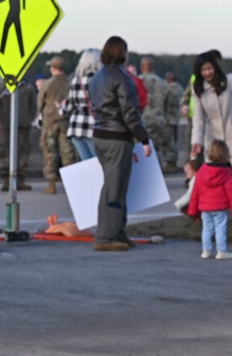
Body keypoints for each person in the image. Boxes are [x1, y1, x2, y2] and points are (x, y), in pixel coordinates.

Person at [88, 36, 152, 251]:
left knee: (113, 185)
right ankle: (106, 237)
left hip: (100, 135)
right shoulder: (123, 79)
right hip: (117, 137)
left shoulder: (96, 78)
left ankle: (118, 231)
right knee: (115, 188)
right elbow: (130, 113)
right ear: (122, 53)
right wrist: (143, 138)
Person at [190, 52, 232, 208]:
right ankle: (222, 208)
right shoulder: (198, 89)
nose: (207, 73)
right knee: (218, 175)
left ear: (215, 67)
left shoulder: (230, 81)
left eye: (210, 68)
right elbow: (199, 118)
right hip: (214, 137)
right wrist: (196, 142)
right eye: (203, 70)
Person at [188, 139, 232, 260]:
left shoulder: (202, 170)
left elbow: (196, 191)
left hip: (205, 207)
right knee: (220, 228)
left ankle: (206, 250)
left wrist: (192, 210)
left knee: (206, 228)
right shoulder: (227, 172)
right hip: (220, 207)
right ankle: (221, 250)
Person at [37, 55, 76, 194]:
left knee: (50, 151)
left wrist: (41, 113)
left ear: (53, 68)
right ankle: (71, 184)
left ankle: (51, 184)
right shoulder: (70, 82)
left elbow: (40, 103)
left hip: (50, 121)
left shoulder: (47, 83)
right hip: (66, 120)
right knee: (67, 152)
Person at [139, 56, 175, 173]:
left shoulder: (137, 81)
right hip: (159, 120)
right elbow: (169, 104)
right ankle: (157, 173)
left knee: (142, 150)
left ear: (142, 67)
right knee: (157, 150)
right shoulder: (163, 83)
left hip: (142, 120)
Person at [0, 79, 36, 191]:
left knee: (23, 152)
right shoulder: (2, 88)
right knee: (5, 152)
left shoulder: (28, 88)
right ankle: (6, 179)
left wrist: (29, 120)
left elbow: (33, 106)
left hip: (23, 125)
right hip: (5, 126)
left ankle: (20, 179)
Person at [64, 48, 101, 160]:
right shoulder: (99, 79)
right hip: (93, 126)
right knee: (100, 163)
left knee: (87, 163)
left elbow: (69, 106)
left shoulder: (76, 80)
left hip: (76, 126)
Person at [163, 71, 184, 167]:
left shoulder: (168, 89)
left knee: (169, 141)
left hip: (168, 118)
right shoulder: (180, 88)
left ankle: (170, 162)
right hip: (176, 118)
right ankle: (173, 161)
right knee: (174, 140)